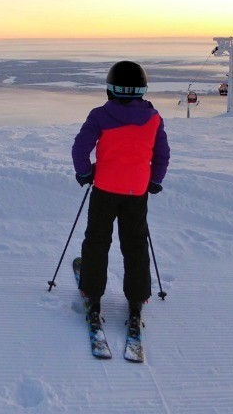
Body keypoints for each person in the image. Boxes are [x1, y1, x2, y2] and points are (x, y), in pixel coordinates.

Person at [71, 61, 170, 328]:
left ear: (110, 89)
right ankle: (137, 302)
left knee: (97, 241)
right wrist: (155, 180)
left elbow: (80, 149)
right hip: (137, 191)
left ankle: (92, 295)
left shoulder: (100, 115)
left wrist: (84, 173)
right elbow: (162, 155)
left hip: (104, 188)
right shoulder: (153, 118)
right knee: (135, 243)